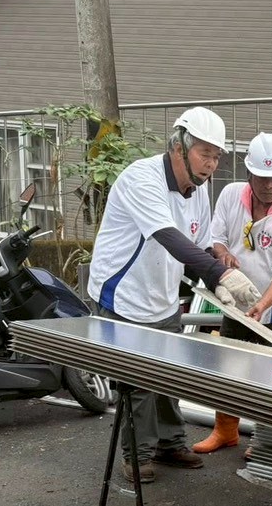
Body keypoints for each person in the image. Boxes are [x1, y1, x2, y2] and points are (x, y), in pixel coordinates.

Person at [87, 106, 261, 483]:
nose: (211, 164)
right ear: (179, 147)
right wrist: (220, 273)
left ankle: (169, 443)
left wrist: (215, 281)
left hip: (162, 294)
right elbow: (168, 237)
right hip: (124, 294)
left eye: (216, 156)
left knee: (167, 374)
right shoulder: (142, 179)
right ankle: (137, 456)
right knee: (139, 380)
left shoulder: (197, 190)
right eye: (204, 153)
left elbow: (198, 245)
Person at [193, 132, 272, 454]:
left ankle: (265, 443)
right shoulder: (231, 195)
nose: (269, 185)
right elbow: (216, 237)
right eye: (261, 178)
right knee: (230, 369)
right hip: (236, 301)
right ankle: (225, 430)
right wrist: (222, 255)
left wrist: (262, 304)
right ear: (249, 174)